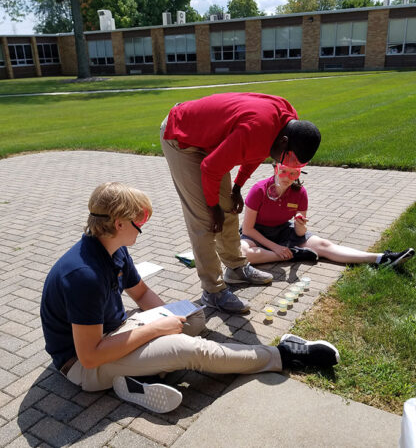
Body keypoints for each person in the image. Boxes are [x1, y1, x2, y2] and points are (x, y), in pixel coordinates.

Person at [41, 182, 340, 414]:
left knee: (192, 316)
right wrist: (158, 330)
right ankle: (284, 356)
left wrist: (169, 320)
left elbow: (142, 293)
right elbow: (90, 355)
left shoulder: (112, 249)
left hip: (111, 336)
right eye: (139, 220)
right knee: (191, 349)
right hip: (82, 366)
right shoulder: (84, 275)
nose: (143, 227)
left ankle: (136, 381)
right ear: (119, 223)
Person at [161, 92, 321, 314]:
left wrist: (237, 187)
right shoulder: (256, 129)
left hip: (209, 137)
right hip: (181, 135)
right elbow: (210, 167)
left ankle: (236, 268)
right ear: (284, 142)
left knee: (229, 209)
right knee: (205, 220)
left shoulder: (287, 128)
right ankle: (213, 291)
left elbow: (257, 153)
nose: (282, 165)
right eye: (287, 160)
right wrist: (212, 206)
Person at [240, 162, 415, 267]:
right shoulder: (259, 190)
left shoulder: (300, 193)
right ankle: (294, 254)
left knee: (324, 244)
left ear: (299, 173)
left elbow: (299, 234)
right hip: (257, 233)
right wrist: (277, 248)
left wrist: (301, 227)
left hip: (284, 230)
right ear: (275, 168)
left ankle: (381, 258)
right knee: (244, 254)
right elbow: (248, 228)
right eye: (283, 170)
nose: (287, 177)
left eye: (294, 173)